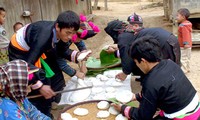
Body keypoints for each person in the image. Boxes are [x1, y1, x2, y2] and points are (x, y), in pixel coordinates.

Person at [8, 10, 80, 117]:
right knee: (37, 82)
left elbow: (61, 50)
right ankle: (40, 112)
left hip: (36, 50)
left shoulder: (58, 33)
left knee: (52, 74)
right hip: (20, 53)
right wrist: (40, 86)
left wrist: (78, 55)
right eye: (68, 33)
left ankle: (49, 103)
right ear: (57, 27)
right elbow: (27, 65)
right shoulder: (43, 37)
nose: (70, 37)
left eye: (73, 33)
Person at [112, 36, 200, 120]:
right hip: (195, 107)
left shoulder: (151, 82)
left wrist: (123, 109)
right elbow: (159, 91)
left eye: (136, 62)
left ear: (143, 61)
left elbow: (143, 116)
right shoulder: (169, 63)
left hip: (183, 116)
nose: (137, 65)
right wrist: (136, 96)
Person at [104, 13, 180, 81]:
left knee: (168, 69)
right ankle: (147, 78)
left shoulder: (124, 36)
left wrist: (124, 74)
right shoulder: (129, 33)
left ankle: (169, 88)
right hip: (168, 39)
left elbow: (127, 57)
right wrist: (117, 49)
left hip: (166, 43)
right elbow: (129, 48)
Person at [176, 8, 192, 74]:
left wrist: (185, 43)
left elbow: (186, 35)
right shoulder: (188, 24)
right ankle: (187, 68)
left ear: (183, 17)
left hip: (184, 45)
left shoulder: (183, 26)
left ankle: (184, 70)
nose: (176, 17)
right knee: (187, 57)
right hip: (188, 45)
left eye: (177, 15)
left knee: (183, 58)